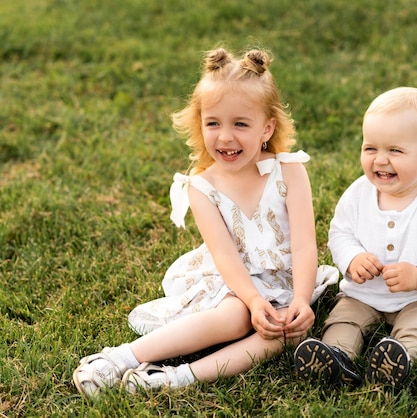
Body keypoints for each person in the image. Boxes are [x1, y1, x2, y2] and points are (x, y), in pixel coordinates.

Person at [73, 47, 338, 398]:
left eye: (240, 124)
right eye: (213, 123)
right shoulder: (201, 186)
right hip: (234, 279)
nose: (225, 137)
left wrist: (302, 300)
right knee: (236, 318)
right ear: (200, 123)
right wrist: (255, 302)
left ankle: (174, 378)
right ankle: (120, 358)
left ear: (267, 128)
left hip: (287, 279)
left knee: (288, 333)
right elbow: (226, 256)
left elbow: (306, 243)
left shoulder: (289, 170)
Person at [294, 87, 417, 387]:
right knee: (345, 318)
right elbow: (340, 234)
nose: (380, 160)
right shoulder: (357, 194)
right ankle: (336, 356)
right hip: (365, 294)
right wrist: (352, 258)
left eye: (395, 150)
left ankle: (401, 358)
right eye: (370, 149)